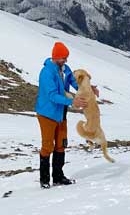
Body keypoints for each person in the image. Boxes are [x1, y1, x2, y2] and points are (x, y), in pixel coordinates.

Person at [35, 41, 99, 189]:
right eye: (63, 58)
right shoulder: (46, 73)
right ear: (56, 57)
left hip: (61, 113)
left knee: (61, 144)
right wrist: (72, 101)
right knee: (47, 146)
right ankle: (44, 180)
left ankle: (58, 177)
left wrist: (89, 88)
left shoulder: (65, 69)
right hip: (47, 114)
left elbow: (75, 83)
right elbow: (52, 95)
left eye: (66, 57)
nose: (66, 60)